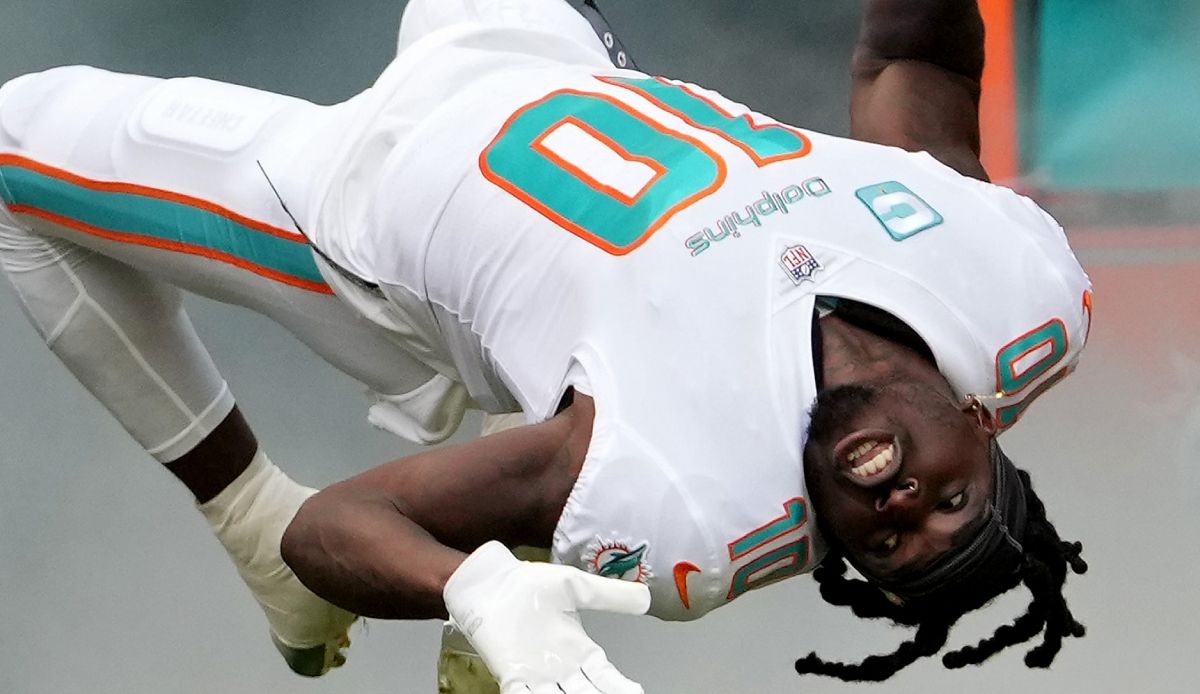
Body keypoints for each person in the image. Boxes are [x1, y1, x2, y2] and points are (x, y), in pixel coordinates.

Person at [0, 0, 1090, 691]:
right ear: (979, 418)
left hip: (366, 206)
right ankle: (534, 519)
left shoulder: (697, 504)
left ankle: (264, 517)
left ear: (834, 543)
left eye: (887, 548)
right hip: (543, 51)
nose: (902, 508)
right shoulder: (1007, 284)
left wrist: (467, 587)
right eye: (952, 502)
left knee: (12, 141)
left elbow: (332, 527)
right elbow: (909, 49)